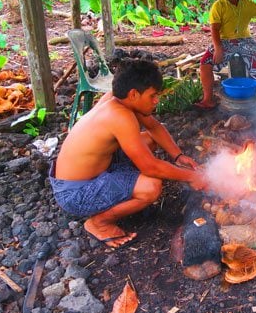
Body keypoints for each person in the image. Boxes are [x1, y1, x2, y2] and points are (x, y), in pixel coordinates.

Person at [50, 59, 207, 251]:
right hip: (75, 193)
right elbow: (150, 167)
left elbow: (154, 127)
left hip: (97, 169)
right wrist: (192, 176)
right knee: (151, 186)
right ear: (134, 94)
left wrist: (178, 157)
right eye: (152, 96)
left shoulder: (118, 99)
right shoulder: (120, 116)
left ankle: (125, 186)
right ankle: (99, 223)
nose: (156, 101)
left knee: (149, 140)